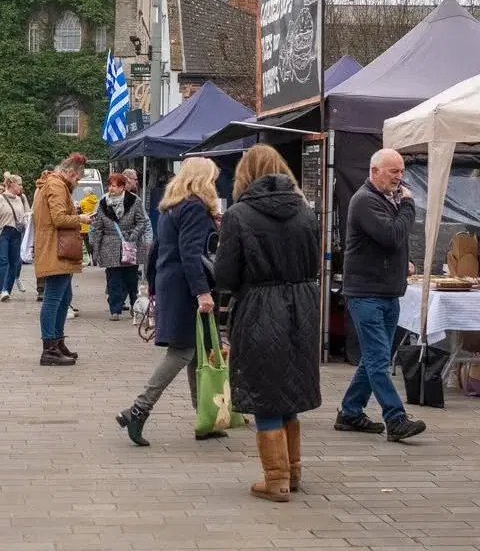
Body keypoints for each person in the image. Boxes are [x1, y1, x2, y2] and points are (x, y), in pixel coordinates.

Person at [214, 144, 321, 502]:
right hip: (303, 305)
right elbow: (314, 265)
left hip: (260, 304)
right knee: (288, 384)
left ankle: (275, 478)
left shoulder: (239, 214)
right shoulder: (306, 212)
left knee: (263, 387)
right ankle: (292, 470)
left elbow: (226, 275)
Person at [116, 157, 219, 446]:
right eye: (211, 178)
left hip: (169, 283)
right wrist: (202, 292)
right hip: (186, 287)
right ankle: (139, 409)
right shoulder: (196, 207)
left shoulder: (171, 206)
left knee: (196, 350)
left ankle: (205, 418)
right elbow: (190, 253)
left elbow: (156, 249)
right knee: (182, 352)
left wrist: (152, 285)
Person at [336, 148, 426, 441]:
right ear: (375, 172)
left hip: (387, 291)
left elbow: (390, 243)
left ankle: (350, 412)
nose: (400, 178)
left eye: (401, 171)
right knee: (377, 359)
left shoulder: (387, 199)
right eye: (393, 172)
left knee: (377, 357)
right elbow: (391, 236)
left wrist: (404, 263)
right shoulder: (364, 201)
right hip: (367, 294)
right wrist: (409, 206)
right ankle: (396, 418)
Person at [33, 153, 92, 366]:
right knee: (54, 299)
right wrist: (81, 218)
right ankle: (49, 348)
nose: (76, 183)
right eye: (77, 179)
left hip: (56, 247)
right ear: (71, 173)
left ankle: (57, 342)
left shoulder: (52, 183)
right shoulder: (57, 185)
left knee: (64, 297)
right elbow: (59, 219)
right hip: (56, 248)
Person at [89, 174, 150, 320]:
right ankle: (115, 310)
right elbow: (98, 228)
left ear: (122, 187)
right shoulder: (103, 203)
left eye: (114, 186)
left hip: (130, 244)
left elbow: (142, 222)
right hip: (110, 246)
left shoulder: (134, 200)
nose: (111, 188)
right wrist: (95, 250)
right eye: (109, 185)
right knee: (113, 279)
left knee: (131, 278)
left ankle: (135, 305)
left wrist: (133, 236)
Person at [0, 173, 27, 301]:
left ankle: (8, 289)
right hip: (3, 232)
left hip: (16, 233)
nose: (21, 187)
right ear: (11, 184)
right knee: (3, 261)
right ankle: (2, 289)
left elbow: (24, 216)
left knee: (15, 263)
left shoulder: (20, 199)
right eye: (19, 184)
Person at [78, 186, 98, 266]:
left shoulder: (83, 201)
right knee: (93, 242)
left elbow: (79, 211)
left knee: (86, 243)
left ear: (87, 193)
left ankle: (88, 260)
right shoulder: (97, 201)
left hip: (84, 224)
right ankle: (95, 258)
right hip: (94, 224)